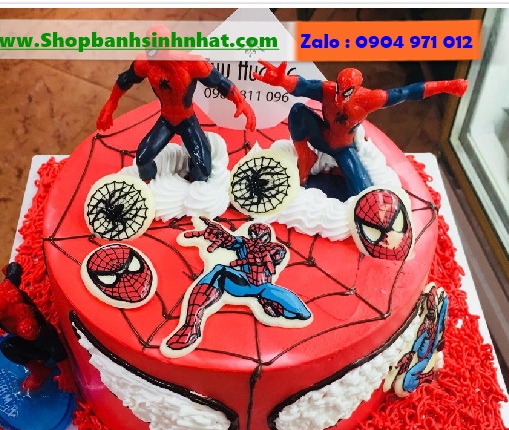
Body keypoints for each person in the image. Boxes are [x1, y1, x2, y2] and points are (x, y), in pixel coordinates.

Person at [254, 61, 467, 195]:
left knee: (364, 192)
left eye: (346, 92)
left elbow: (407, 92)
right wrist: (283, 80)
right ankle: (306, 156)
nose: (340, 96)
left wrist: (447, 85)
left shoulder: (369, 99)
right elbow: (304, 86)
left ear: (355, 90)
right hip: (321, 135)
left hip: (343, 148)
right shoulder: (328, 90)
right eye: (339, 89)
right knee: (298, 111)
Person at [96, 25, 256, 182]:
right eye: (148, 43)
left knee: (203, 170)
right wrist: (111, 103)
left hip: (187, 120)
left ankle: (192, 185)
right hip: (166, 120)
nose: (150, 49)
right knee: (142, 160)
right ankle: (151, 188)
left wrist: (240, 101)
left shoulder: (192, 64)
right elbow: (125, 80)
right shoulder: (144, 63)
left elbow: (220, 82)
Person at [165, 218, 311, 352]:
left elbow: (276, 255)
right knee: (219, 271)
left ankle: (269, 303)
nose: (255, 240)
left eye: (260, 237)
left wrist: (258, 255)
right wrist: (220, 235)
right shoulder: (243, 243)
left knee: (302, 313)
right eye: (253, 236)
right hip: (243, 283)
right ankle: (191, 326)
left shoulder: (275, 248)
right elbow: (231, 240)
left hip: (264, 287)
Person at [0, 262, 75, 392]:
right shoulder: (7, 287)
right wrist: (8, 269)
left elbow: (53, 344)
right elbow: (14, 268)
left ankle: (39, 372)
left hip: (41, 344)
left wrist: (66, 374)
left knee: (7, 347)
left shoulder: (25, 324)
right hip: (31, 333)